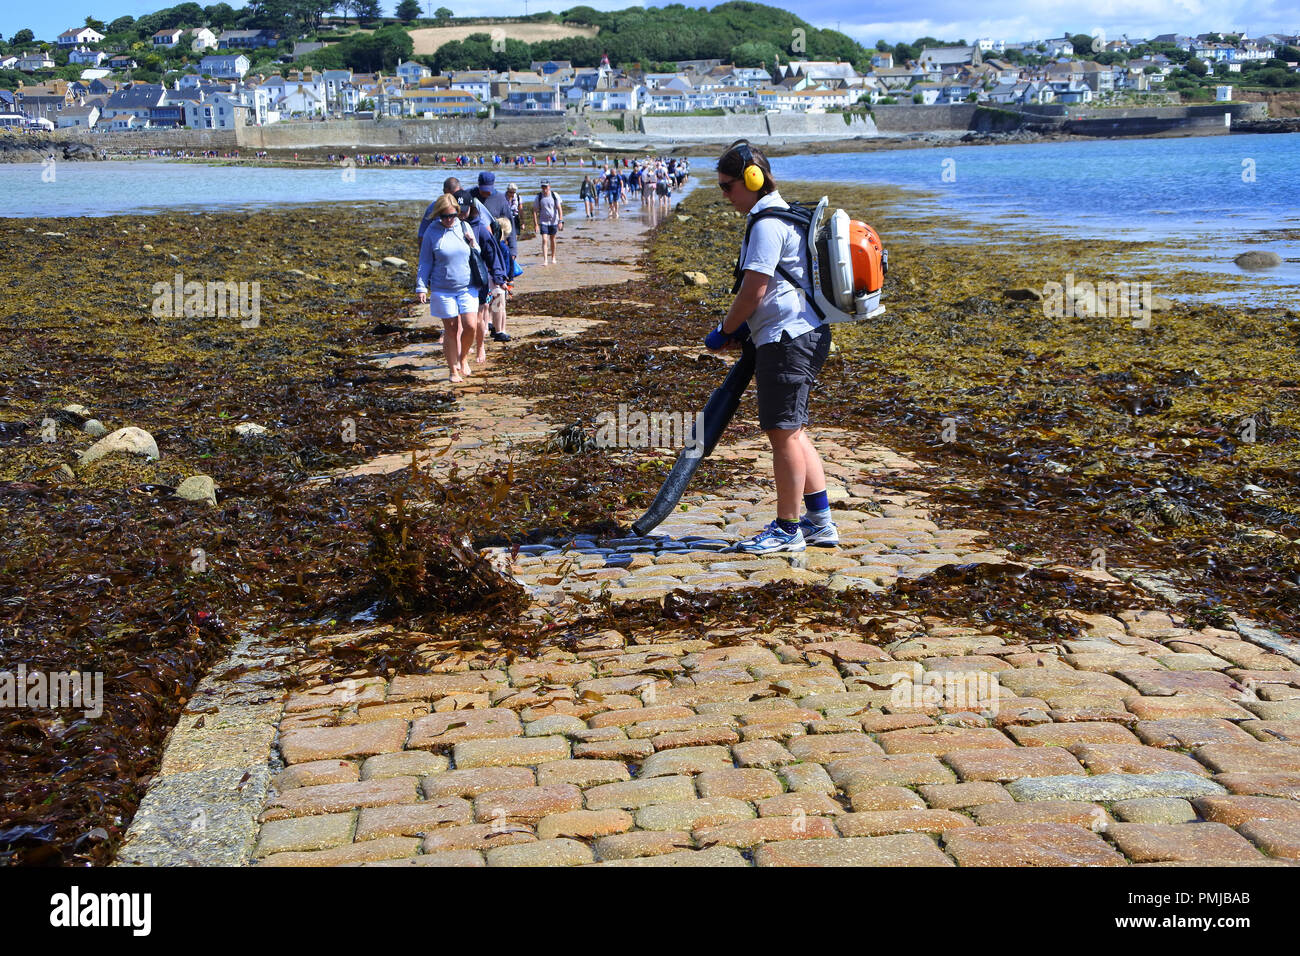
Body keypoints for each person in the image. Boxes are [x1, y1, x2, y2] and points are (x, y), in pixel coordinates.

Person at [708, 140, 835, 553]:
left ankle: (787, 529)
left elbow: (754, 289)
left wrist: (726, 329)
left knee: (782, 434)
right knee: (794, 432)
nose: (725, 196)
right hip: (802, 332)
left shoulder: (766, 224)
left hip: (787, 338)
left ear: (752, 179)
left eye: (727, 187)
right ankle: (821, 524)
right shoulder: (782, 215)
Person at [416, 193, 478, 385]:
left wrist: (472, 243)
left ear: (458, 213)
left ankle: (463, 357)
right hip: (442, 288)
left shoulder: (464, 226)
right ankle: (453, 369)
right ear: (438, 215)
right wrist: (421, 286)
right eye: (444, 216)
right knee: (451, 329)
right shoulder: (432, 232)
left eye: (452, 215)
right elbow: (425, 261)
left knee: (470, 326)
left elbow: (478, 254)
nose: (449, 220)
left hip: (467, 286)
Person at [532, 180, 563, 266]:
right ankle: (545, 260)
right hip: (543, 221)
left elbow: (559, 209)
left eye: (546, 187)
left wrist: (560, 221)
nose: (544, 189)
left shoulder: (554, 195)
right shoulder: (538, 197)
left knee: (552, 239)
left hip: (554, 221)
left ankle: (553, 257)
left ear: (549, 186)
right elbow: (534, 211)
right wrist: (536, 224)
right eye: (543, 187)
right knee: (544, 239)